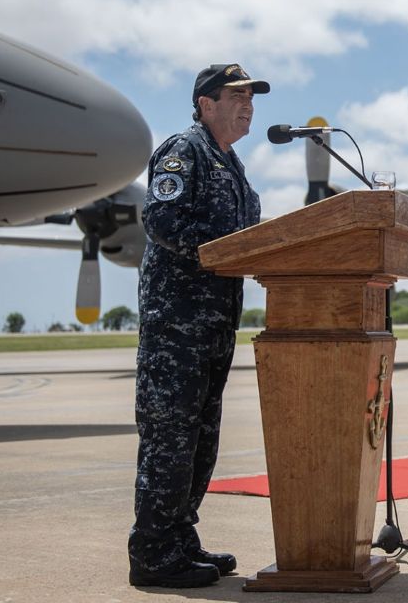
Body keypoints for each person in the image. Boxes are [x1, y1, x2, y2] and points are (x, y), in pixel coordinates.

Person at [128, 63, 267, 588]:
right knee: (169, 440)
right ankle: (153, 554)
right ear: (206, 104)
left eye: (251, 96)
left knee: (200, 441)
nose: (248, 104)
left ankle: (180, 540)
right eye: (237, 95)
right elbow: (162, 222)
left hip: (213, 327)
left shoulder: (231, 164)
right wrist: (227, 246)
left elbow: (246, 235)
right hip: (177, 329)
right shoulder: (183, 151)